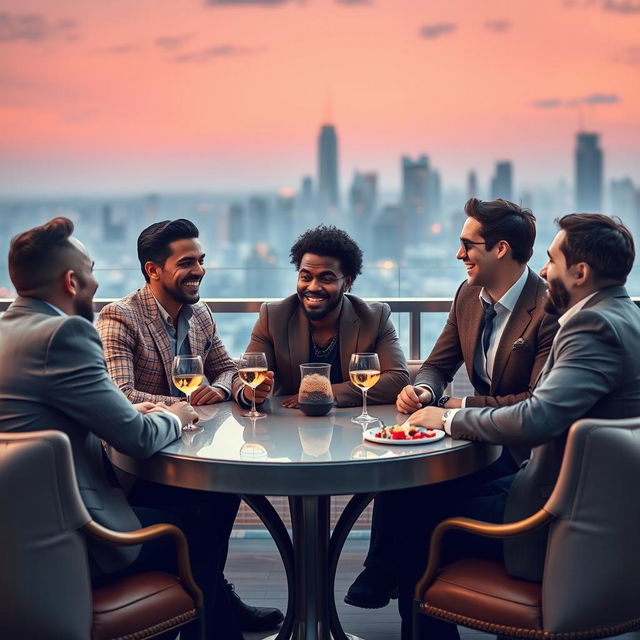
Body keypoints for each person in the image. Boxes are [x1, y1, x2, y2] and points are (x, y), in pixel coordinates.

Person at [395, 213, 640, 639]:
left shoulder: (591, 326)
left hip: (554, 520)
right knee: (416, 494)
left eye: (552, 260)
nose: (544, 271)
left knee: (415, 529)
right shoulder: (626, 315)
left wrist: (448, 416)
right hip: (591, 503)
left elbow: (536, 417)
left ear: (580, 272)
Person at [0, 217, 243, 640]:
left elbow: (96, 408)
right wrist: (179, 413)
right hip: (75, 534)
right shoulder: (65, 334)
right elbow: (136, 437)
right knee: (195, 533)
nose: (97, 282)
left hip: (21, 531)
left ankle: (223, 625)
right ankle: (207, 630)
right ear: (72, 281)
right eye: (92, 270)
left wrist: (141, 409)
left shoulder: (9, 331)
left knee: (211, 507)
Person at [346, 197, 559, 609]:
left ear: (501, 249)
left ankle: (387, 574)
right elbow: (436, 365)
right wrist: (425, 390)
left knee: (413, 504)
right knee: (401, 468)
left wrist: (457, 406)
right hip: (480, 441)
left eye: (468, 244)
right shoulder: (467, 294)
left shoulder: (547, 308)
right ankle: (386, 574)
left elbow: (533, 402)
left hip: (518, 456)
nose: (458, 254)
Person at [96, 218, 283, 632]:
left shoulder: (200, 315)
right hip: (144, 466)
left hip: (193, 455)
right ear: (153, 270)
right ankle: (213, 612)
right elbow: (120, 399)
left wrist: (245, 390)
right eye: (186, 262)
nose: (198, 269)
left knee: (226, 495)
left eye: (201, 260)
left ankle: (210, 599)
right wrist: (187, 403)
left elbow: (229, 371)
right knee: (205, 523)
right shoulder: (119, 317)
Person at [237, 224, 409, 409]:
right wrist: (249, 393)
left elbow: (398, 380)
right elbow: (244, 375)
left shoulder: (374, 317)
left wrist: (326, 391)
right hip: (289, 424)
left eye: (326, 279)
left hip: (354, 426)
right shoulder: (274, 316)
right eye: (305, 277)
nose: (313, 287)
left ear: (347, 283)